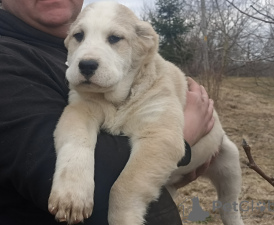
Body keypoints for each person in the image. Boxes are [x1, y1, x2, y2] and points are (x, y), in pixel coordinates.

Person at [0, 0, 214, 225]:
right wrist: (181, 139)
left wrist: (163, 171)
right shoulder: (8, 57)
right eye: (79, 36)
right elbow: (69, 176)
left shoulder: (55, 46)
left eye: (113, 38)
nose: (88, 54)